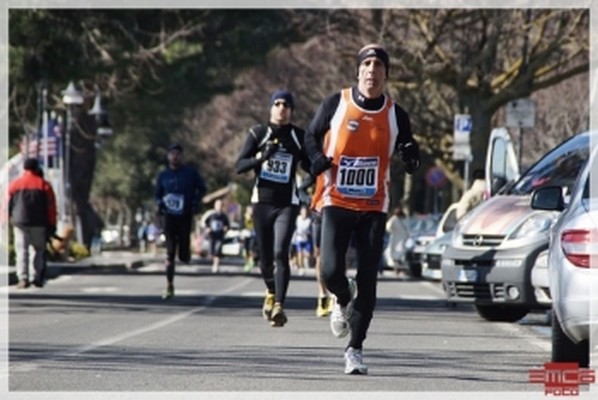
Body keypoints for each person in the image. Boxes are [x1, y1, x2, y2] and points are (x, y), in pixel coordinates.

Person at [304, 44, 420, 374]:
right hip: (335, 200)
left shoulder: (397, 114)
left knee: (368, 279)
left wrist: (412, 158)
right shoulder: (335, 104)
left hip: (373, 205)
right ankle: (342, 298)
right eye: (367, 64)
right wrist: (315, 159)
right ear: (358, 71)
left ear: (386, 74)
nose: (372, 70)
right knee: (329, 270)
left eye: (379, 65)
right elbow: (311, 136)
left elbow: (410, 151)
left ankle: (354, 349)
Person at [235, 89, 311, 328]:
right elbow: (239, 166)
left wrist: (311, 179)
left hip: (287, 204)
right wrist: (262, 158)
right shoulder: (258, 133)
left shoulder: (299, 136)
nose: (282, 108)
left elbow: (312, 166)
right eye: (277, 104)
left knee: (281, 253)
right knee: (265, 259)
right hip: (262, 203)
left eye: (286, 105)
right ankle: (271, 290)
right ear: (271, 108)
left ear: (291, 110)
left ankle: (279, 304)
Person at [155, 143, 207, 299]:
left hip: (185, 215)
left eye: (178, 154)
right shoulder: (163, 175)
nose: (175, 156)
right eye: (172, 153)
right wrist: (160, 203)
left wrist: (194, 202)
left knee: (183, 254)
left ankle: (185, 253)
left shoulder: (191, 173)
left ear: (182, 156)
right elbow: (157, 194)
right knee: (170, 254)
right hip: (169, 217)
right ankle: (169, 285)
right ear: (168, 156)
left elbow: (202, 188)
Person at [8, 158, 57, 288]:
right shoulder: (44, 185)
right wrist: (52, 224)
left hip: (20, 222)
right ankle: (36, 277)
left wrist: (6, 218)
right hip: (39, 223)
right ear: (36, 168)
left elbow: (7, 203)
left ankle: (23, 278)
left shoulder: (15, 184)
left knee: (21, 250)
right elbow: (51, 207)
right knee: (38, 250)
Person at [204, 199, 230, 273]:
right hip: (212, 236)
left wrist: (226, 228)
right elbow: (205, 224)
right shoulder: (211, 215)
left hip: (220, 236)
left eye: (221, 205)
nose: (219, 207)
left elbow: (227, 225)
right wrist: (207, 229)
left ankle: (216, 265)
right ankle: (213, 262)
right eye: (218, 205)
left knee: (217, 250)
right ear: (215, 206)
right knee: (211, 251)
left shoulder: (224, 216)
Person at [385, 206, 410, 275]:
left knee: (396, 253)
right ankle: (399, 267)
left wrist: (392, 231)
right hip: (401, 238)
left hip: (396, 238)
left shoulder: (394, 219)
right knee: (400, 252)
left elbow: (388, 227)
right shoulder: (402, 219)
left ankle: (398, 267)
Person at [293, 205, 313, 276]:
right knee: (299, 253)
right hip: (299, 238)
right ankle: (301, 268)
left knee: (308, 255)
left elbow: (310, 231)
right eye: (303, 211)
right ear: (301, 212)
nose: (304, 213)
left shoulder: (309, 220)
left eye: (305, 212)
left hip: (306, 239)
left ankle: (305, 262)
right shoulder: (298, 219)